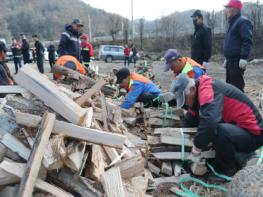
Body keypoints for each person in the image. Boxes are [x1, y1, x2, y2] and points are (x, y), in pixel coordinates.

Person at [170, 73, 263, 178]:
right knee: (210, 131)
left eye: (185, 99)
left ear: (191, 89)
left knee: (218, 131)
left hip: (254, 134)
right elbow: (190, 118)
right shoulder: (197, 95)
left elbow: (210, 121)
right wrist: (179, 137)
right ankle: (239, 156)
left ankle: (226, 170)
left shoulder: (208, 90)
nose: (185, 104)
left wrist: (197, 145)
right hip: (238, 130)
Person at [223, 0, 253, 92]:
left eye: (229, 8)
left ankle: (242, 106)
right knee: (230, 88)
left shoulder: (243, 22)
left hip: (237, 62)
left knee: (237, 89)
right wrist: (227, 58)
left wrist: (244, 57)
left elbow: (247, 40)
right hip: (230, 61)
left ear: (235, 9)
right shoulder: (232, 23)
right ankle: (233, 106)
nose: (227, 10)